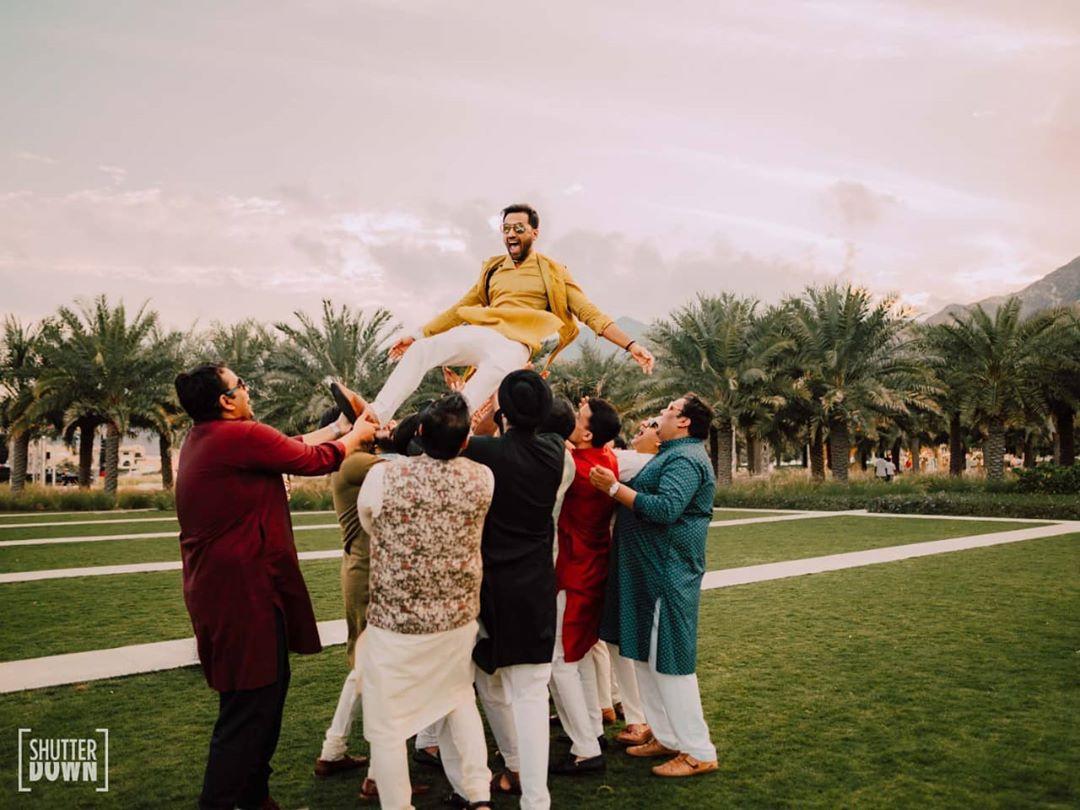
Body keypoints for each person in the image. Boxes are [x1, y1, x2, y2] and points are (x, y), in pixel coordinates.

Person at [173, 364, 374, 810]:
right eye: (240, 384)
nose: (247, 390)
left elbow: (290, 447)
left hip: (234, 587)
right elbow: (309, 460)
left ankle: (253, 794)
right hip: (241, 590)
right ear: (226, 401)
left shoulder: (211, 437)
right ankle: (222, 801)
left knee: (266, 691)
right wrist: (355, 436)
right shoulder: (239, 436)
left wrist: (340, 428)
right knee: (248, 705)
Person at [367, 203, 655, 423]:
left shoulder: (553, 272)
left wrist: (631, 345)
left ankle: (449, 433)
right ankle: (376, 414)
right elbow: (458, 310)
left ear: (534, 233)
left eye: (518, 228)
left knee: (474, 391)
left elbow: (589, 313)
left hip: (514, 345)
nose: (510, 234)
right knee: (422, 350)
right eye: (506, 229)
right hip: (481, 331)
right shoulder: (492, 269)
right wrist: (416, 335)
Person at [357, 394, 496, 810]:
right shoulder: (483, 478)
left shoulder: (384, 476)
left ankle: (397, 803)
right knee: (458, 699)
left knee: (385, 720)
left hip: (394, 620)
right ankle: (478, 794)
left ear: (418, 432)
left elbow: (369, 521)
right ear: (466, 441)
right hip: (456, 616)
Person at [592, 394, 719, 779]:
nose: (660, 415)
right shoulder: (673, 453)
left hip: (668, 572)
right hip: (650, 571)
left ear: (684, 423)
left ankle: (698, 750)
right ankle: (666, 735)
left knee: (671, 663)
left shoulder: (686, 458)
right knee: (648, 659)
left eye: (668, 411)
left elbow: (666, 509)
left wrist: (614, 489)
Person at [461, 370, 565, 810]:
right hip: (537, 587)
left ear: (501, 410)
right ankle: (536, 798)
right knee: (531, 693)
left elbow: (424, 439)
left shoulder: (486, 452)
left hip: (491, 588)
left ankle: (512, 763)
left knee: (488, 679)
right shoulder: (555, 451)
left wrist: (478, 420)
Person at [548, 398, 622, 775]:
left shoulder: (574, 466)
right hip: (594, 569)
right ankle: (591, 727)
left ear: (589, 433)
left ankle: (586, 747)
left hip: (573, 572)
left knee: (560, 661)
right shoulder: (607, 460)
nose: (573, 422)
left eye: (579, 419)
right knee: (580, 654)